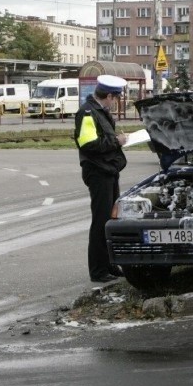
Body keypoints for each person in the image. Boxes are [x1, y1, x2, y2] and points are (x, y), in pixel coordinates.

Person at [74, 75, 129, 282]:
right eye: (115, 98)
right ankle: (98, 270)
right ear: (108, 96)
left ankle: (109, 265)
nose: (115, 102)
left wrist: (116, 142)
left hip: (107, 170)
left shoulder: (100, 112)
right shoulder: (88, 113)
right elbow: (88, 144)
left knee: (109, 219)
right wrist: (117, 141)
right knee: (101, 221)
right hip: (97, 172)